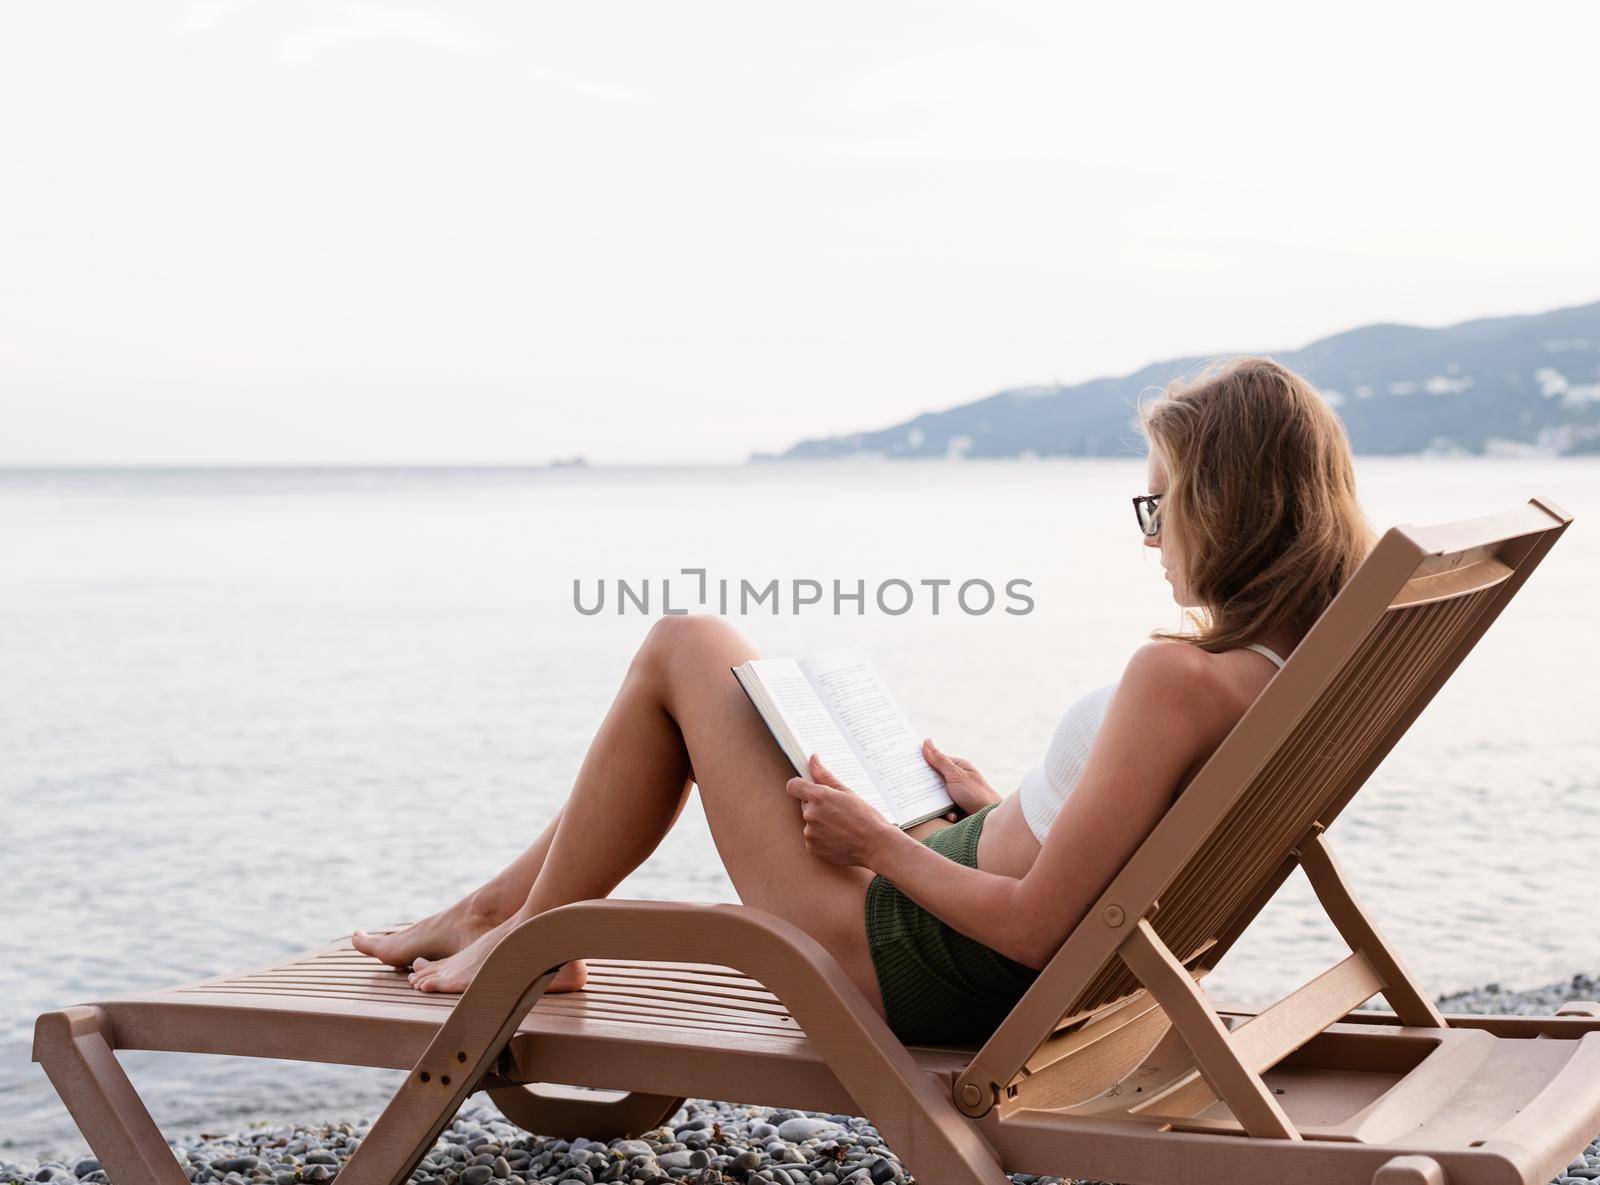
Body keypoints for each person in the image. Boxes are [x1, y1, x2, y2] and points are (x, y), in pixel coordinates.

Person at [353, 355, 1374, 1045]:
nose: (1149, 536)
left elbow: (1029, 931)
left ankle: (527, 928)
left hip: (904, 958)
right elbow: (1099, 863)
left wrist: (871, 843)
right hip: (956, 905)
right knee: (721, 670)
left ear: (1226, 507)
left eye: (1161, 504)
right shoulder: (1293, 671)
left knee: (684, 643)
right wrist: (990, 810)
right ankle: (516, 915)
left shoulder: (1178, 676)